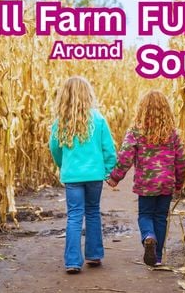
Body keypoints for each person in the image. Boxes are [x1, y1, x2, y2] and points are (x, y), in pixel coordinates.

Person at [107, 90, 185, 266]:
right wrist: (179, 183)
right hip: (166, 183)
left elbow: (125, 156)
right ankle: (157, 258)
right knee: (160, 217)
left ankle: (148, 237)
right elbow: (181, 159)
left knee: (145, 215)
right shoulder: (172, 133)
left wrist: (115, 177)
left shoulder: (136, 131)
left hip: (146, 183)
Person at [49, 76, 116, 274]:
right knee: (93, 211)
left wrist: (64, 165)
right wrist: (107, 170)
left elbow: (55, 148)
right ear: (88, 95)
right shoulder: (98, 119)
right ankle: (94, 254)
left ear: (65, 96)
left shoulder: (61, 122)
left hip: (73, 177)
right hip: (95, 176)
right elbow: (109, 149)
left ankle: (72, 261)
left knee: (74, 216)